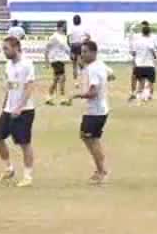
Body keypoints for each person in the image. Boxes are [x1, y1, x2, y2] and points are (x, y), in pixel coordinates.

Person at [0, 36, 36, 187]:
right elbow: (9, 87)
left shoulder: (27, 64)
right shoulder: (7, 65)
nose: (4, 52)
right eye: (3, 49)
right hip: (9, 109)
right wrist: (5, 105)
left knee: (24, 143)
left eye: (6, 49)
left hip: (25, 110)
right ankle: (9, 168)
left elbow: (29, 87)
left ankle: (28, 176)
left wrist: (20, 107)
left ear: (16, 48)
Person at [69, 41, 115, 184]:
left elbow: (93, 92)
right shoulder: (100, 65)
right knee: (90, 138)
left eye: (85, 52)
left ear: (93, 53)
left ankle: (101, 171)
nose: (82, 55)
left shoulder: (93, 69)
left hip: (95, 111)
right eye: (81, 52)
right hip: (99, 109)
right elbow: (112, 75)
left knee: (90, 139)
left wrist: (77, 95)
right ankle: (101, 169)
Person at [129, 22, 157, 104]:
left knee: (140, 82)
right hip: (149, 65)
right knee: (150, 82)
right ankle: (148, 96)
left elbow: (133, 53)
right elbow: (153, 50)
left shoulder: (137, 41)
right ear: (149, 32)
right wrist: (155, 57)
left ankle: (137, 97)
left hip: (139, 65)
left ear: (142, 32)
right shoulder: (150, 41)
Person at [44, 20, 71, 106]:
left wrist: (70, 54)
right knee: (62, 78)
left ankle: (48, 97)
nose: (66, 27)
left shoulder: (64, 36)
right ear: (61, 26)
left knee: (56, 80)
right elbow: (47, 48)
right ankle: (63, 98)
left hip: (61, 59)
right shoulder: (54, 37)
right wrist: (46, 60)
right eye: (64, 25)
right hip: (55, 59)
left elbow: (66, 48)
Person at [67, 14, 90, 87]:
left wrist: (69, 45)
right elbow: (89, 37)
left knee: (74, 65)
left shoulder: (71, 28)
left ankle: (76, 82)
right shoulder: (83, 28)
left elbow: (67, 38)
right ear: (80, 21)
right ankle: (83, 80)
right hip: (80, 46)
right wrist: (84, 42)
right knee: (81, 65)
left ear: (73, 21)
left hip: (73, 46)